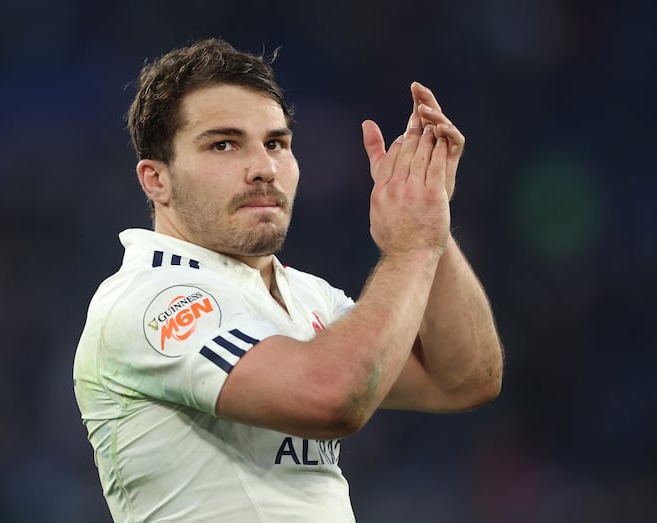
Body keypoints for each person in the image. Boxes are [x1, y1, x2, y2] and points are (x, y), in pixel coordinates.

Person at [73, 37, 503, 522]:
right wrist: (410, 247)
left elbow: (463, 380)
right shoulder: (150, 301)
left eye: (276, 143)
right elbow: (332, 397)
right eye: (223, 144)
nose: (264, 168)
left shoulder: (306, 294)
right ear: (156, 179)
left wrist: (431, 223)